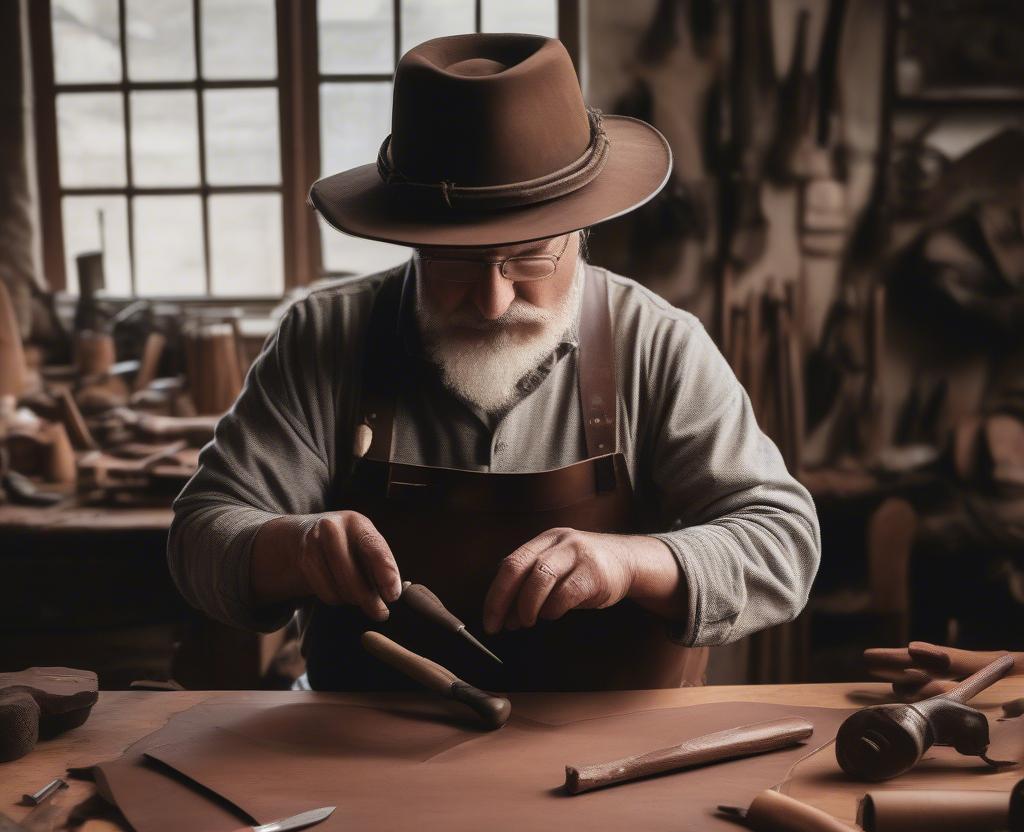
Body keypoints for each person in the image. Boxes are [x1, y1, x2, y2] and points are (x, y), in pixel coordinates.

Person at [168, 33, 820, 691]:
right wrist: (292, 549)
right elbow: (199, 536)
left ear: (581, 230)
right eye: (454, 260)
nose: (492, 298)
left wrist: (635, 562)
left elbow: (784, 543)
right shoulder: (323, 337)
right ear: (410, 236)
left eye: (531, 256)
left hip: (619, 759)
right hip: (364, 749)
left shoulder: (660, 345)